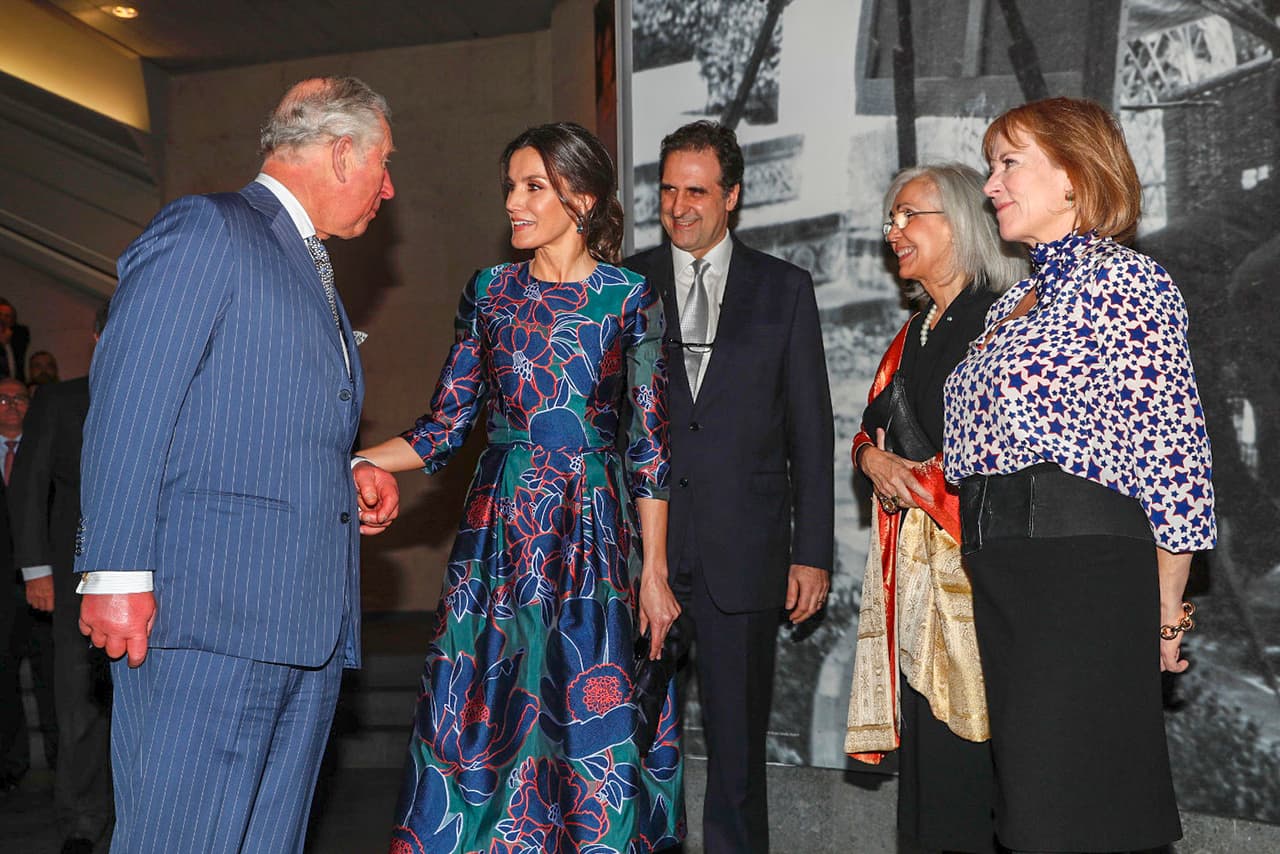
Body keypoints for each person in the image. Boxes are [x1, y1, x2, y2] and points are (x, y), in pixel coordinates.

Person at [74, 77, 400, 854]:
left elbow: (247, 423)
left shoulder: (306, 263)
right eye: (385, 163)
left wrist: (343, 473)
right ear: (342, 151)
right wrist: (115, 573)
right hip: (210, 629)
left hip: (304, 633)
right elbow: (128, 405)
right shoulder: (208, 229)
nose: (390, 188)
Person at [357, 122, 683, 853]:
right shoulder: (491, 294)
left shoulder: (631, 298)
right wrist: (344, 463)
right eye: (510, 185)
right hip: (499, 536)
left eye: (532, 186)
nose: (513, 201)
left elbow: (649, 446)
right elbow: (443, 425)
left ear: (582, 197)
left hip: (593, 535)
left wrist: (655, 573)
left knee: (590, 712)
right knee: (483, 710)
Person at [944, 97, 1216, 852]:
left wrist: (1165, 607)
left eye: (1010, 163)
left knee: (1068, 814)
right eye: (990, 165)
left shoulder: (1127, 281)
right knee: (1036, 810)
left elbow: (1174, 449)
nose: (991, 183)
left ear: (1074, 176)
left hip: (1080, 573)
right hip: (1005, 570)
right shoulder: (1006, 307)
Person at [623, 120, 833, 854]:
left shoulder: (785, 291)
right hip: (638, 559)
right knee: (630, 750)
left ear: (733, 196)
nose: (678, 207)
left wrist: (812, 553)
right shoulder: (623, 282)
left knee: (738, 761)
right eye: (668, 190)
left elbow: (810, 431)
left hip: (745, 560)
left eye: (697, 192)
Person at [844, 163, 1027, 853]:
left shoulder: (1000, 318)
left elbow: (1008, 452)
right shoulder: (914, 331)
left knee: (974, 765)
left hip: (980, 579)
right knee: (929, 761)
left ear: (960, 222)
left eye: (909, 215)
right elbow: (869, 431)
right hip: (920, 586)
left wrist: (917, 478)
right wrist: (873, 461)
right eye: (890, 219)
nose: (894, 231)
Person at [10, 304, 111, 853]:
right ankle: (80, 822)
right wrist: (36, 570)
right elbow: (29, 486)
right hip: (74, 581)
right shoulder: (60, 399)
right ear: (98, 335)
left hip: (161, 584)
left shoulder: (171, 396)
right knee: (78, 707)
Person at [0, 376, 56, 794]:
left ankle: (60, 759)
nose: (12, 405)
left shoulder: (49, 455)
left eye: (19, 398)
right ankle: (11, 765)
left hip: (46, 587)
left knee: (51, 676)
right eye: (2, 399)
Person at [0, 299, 29, 383]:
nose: (2, 319)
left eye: (7, 316)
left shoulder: (18, 337)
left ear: (12, 321)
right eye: (0, 314)